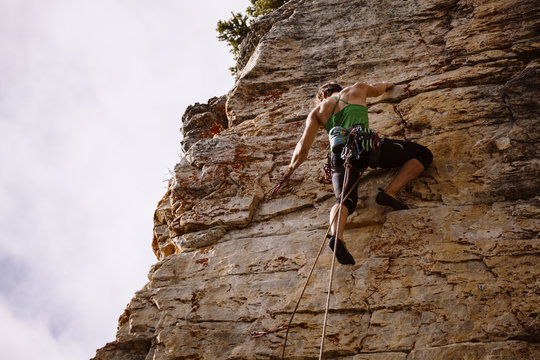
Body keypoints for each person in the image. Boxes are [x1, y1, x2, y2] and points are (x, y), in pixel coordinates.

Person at [281, 82, 433, 265]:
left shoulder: (317, 112)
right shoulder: (357, 89)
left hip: (339, 155)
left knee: (343, 200)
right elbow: (379, 89)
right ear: (339, 88)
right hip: (367, 147)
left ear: (322, 95)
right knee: (423, 154)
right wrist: (388, 85)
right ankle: (389, 192)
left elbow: (302, 148)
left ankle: (337, 236)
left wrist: (290, 169)